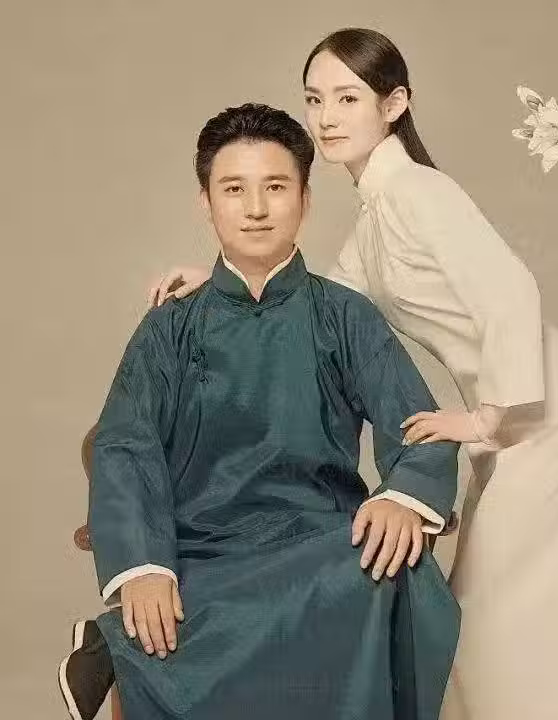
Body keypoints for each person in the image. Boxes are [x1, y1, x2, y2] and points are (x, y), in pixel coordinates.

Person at [148, 28, 558, 720]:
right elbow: (318, 305)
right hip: (512, 418)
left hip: (546, 409)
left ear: (394, 104)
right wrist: (214, 282)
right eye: (315, 99)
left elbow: (512, 291)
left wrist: (485, 418)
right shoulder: (377, 213)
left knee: (511, 613)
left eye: (347, 98)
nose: (326, 117)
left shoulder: (418, 189)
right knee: (514, 611)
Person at [58, 102, 461, 720]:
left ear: (305, 198)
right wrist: (141, 566)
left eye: (274, 187)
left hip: (320, 540)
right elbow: (125, 446)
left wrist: (403, 497)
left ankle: (110, 648)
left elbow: (418, 424)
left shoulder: (343, 315)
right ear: (205, 202)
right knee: (187, 597)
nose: (255, 208)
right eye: (233, 189)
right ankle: (121, 640)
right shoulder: (170, 327)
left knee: (385, 566)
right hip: (202, 548)